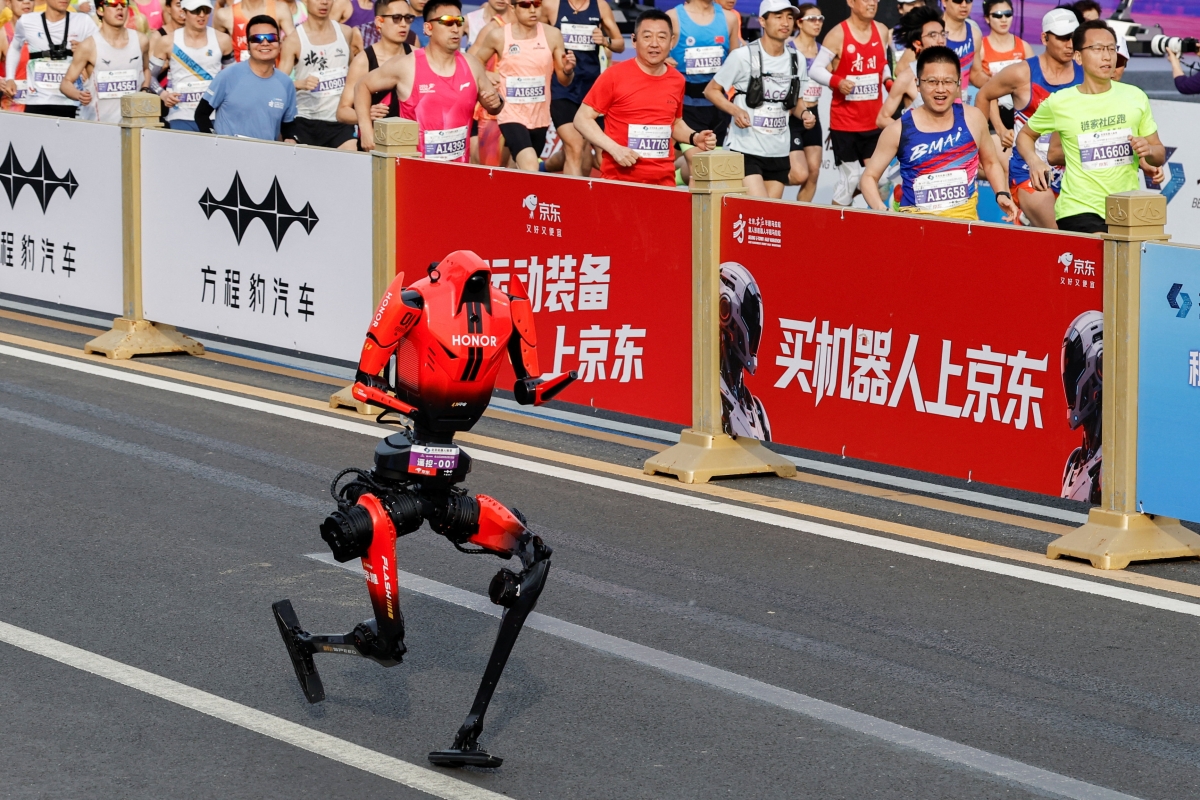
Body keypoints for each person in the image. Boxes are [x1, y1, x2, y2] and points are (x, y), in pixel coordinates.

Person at [1018, 19, 1165, 234]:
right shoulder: (1061, 101)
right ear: (1078, 56)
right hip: (1078, 209)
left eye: (1111, 49)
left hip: (1126, 209)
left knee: (1127, 266)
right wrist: (1034, 161)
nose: (1107, 56)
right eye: (1097, 49)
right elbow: (1025, 135)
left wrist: (1148, 151)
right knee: (1102, 253)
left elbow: (1159, 153)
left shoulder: (1135, 96)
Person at [861, 45, 1017, 221]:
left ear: (958, 84)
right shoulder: (898, 130)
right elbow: (868, 177)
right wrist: (882, 210)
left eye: (948, 82)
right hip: (915, 228)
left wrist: (1001, 193)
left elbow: (990, 163)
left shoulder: (974, 118)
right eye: (932, 82)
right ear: (918, 85)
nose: (941, 89)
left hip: (964, 227)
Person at [574, 8, 717, 185]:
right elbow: (582, 119)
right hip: (620, 181)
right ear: (634, 41)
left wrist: (694, 137)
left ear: (672, 41)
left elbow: (674, 122)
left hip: (663, 183)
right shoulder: (614, 76)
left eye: (662, 37)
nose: (654, 44)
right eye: (647, 36)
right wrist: (614, 149)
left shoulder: (677, 80)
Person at [974, 7, 1082, 228]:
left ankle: (1027, 226)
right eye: (1062, 37)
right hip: (1028, 170)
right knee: (1060, 232)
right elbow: (984, 95)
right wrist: (986, 142)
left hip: (1074, 172)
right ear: (1044, 38)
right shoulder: (1022, 73)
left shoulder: (1085, 73)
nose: (1070, 44)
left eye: (1074, 37)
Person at [356, 0, 502, 161]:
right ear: (428, 28)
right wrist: (366, 131)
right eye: (447, 22)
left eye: (459, 22)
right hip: (414, 170)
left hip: (458, 169)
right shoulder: (407, 66)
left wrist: (497, 102)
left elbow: (494, 107)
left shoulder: (472, 64)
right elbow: (362, 85)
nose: (455, 29)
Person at [704, 0, 810, 198]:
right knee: (758, 207)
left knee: (769, 216)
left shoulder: (798, 60)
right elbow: (711, 91)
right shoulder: (742, 56)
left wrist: (804, 113)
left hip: (778, 150)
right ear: (762, 21)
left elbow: (796, 102)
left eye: (789, 17)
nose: (785, 22)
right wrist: (735, 110)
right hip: (745, 149)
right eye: (778, 17)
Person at [468, 0, 576, 171]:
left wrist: (568, 70)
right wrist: (488, 75)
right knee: (530, 164)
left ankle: (510, 196)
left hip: (539, 115)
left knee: (519, 166)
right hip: (509, 114)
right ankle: (529, 197)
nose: (532, 10)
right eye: (525, 5)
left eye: (537, 4)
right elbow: (474, 61)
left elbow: (564, 80)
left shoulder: (552, 35)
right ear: (513, 7)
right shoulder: (499, 36)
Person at [808, 0, 892, 206]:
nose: (872, 3)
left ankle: (868, 226)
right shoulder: (838, 34)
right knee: (850, 179)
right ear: (851, 2)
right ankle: (836, 229)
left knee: (881, 182)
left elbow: (882, 66)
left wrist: (890, 84)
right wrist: (837, 81)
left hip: (873, 123)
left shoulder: (881, 31)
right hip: (845, 124)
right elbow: (815, 69)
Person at [539, 0, 623, 176]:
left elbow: (620, 44)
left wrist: (606, 40)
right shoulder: (551, 5)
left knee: (593, 154)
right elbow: (533, 35)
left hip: (592, 91)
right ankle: (573, 201)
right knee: (575, 147)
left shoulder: (600, 6)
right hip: (562, 87)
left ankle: (545, 168)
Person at [196, 14, 298, 139]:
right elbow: (201, 114)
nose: (265, 43)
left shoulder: (286, 83)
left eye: (271, 38)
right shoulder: (227, 76)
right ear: (248, 45)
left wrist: (290, 138)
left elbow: (288, 125)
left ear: (279, 44)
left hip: (266, 156)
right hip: (228, 155)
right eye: (257, 39)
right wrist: (215, 142)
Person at [667, 0, 739, 176]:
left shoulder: (730, 19)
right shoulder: (672, 18)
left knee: (711, 168)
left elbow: (736, 63)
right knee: (700, 167)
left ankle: (677, 174)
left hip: (717, 107)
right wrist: (664, 61)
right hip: (685, 105)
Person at [278, 0, 360, 148]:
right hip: (306, 120)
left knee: (351, 158)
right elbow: (278, 84)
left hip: (340, 121)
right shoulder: (294, 40)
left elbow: (354, 73)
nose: (324, 2)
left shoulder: (346, 32)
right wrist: (299, 84)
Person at [2, 0, 98, 117]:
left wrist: (85, 50)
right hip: (38, 101)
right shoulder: (27, 21)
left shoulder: (83, 21)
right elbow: (15, 48)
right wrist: (10, 78)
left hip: (73, 102)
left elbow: (104, 52)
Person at [60, 0, 149, 122]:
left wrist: (145, 89)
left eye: (123, 4)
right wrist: (78, 94)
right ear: (99, 10)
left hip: (134, 126)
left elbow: (146, 69)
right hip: (99, 126)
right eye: (113, 4)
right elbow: (66, 83)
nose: (119, 8)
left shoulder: (141, 40)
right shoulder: (88, 46)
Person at [152, 0, 232, 131]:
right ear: (184, 12)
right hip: (180, 115)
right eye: (196, 10)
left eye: (205, 10)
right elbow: (150, 76)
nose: (201, 15)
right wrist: (163, 95)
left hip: (214, 115)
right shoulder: (167, 41)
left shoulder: (222, 39)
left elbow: (232, 77)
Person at [335, 0, 411, 126]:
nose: (403, 24)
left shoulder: (416, 55)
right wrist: (366, 114)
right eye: (396, 18)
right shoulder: (363, 60)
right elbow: (342, 112)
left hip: (412, 138)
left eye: (408, 18)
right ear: (379, 22)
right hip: (375, 139)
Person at [876, 5, 945, 127]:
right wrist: (909, 133)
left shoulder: (952, 71)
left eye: (943, 34)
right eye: (933, 35)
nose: (941, 40)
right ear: (917, 43)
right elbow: (882, 119)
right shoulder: (907, 77)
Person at [789, 2, 823, 200]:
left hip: (814, 113)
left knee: (814, 172)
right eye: (812, 19)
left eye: (820, 19)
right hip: (792, 115)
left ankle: (801, 218)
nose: (817, 23)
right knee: (798, 174)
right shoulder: (789, 48)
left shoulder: (823, 51)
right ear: (799, 23)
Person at [215, 0, 294, 63]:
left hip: (272, 74)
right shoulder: (225, 15)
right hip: (241, 77)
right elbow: (214, 48)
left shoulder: (280, 9)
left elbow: (296, 44)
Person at [942, 0, 982, 102]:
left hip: (962, 101)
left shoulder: (974, 34)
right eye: (957, 0)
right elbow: (903, 69)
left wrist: (997, 83)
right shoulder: (931, 32)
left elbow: (976, 74)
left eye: (968, 0)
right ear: (944, 2)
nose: (964, 5)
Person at [0, 0, 34, 111]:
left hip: (39, 109)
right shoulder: (3, 34)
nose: (27, 2)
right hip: (11, 109)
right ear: (8, 3)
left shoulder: (43, 33)